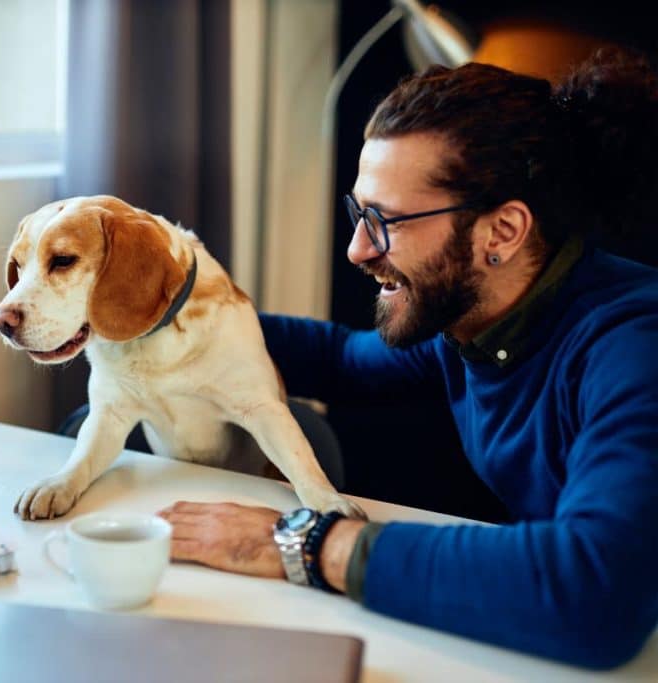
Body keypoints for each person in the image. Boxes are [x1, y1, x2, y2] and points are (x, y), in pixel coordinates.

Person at [158, 48, 658, 670]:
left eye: (384, 220)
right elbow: (342, 360)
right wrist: (167, 316)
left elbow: (594, 592)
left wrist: (307, 543)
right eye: (358, 212)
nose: (357, 248)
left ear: (501, 232)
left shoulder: (632, 346)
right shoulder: (475, 320)